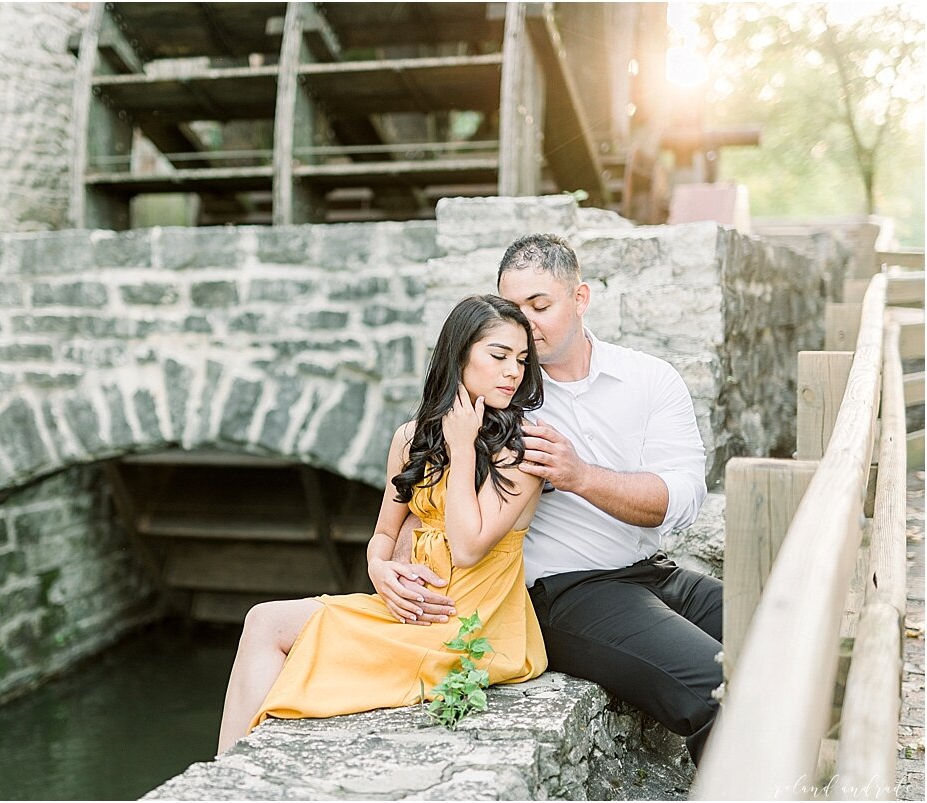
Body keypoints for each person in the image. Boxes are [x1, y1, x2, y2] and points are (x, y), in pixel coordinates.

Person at [382, 234, 722, 765]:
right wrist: (386, 563)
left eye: (539, 306)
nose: (523, 324)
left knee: (786, 635)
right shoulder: (499, 398)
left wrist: (580, 475)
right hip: (567, 592)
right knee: (719, 690)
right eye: (511, 309)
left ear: (580, 298)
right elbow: (426, 492)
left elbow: (682, 498)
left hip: (655, 572)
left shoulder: (649, 378)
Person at [217, 294, 549, 754]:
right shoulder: (410, 438)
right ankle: (228, 771)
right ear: (459, 355)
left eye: (521, 360)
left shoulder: (522, 453)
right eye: (499, 356)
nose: (513, 371)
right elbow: (384, 534)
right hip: (411, 611)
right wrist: (379, 568)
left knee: (287, 643)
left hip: (472, 629)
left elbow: (470, 547)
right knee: (263, 620)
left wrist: (464, 446)